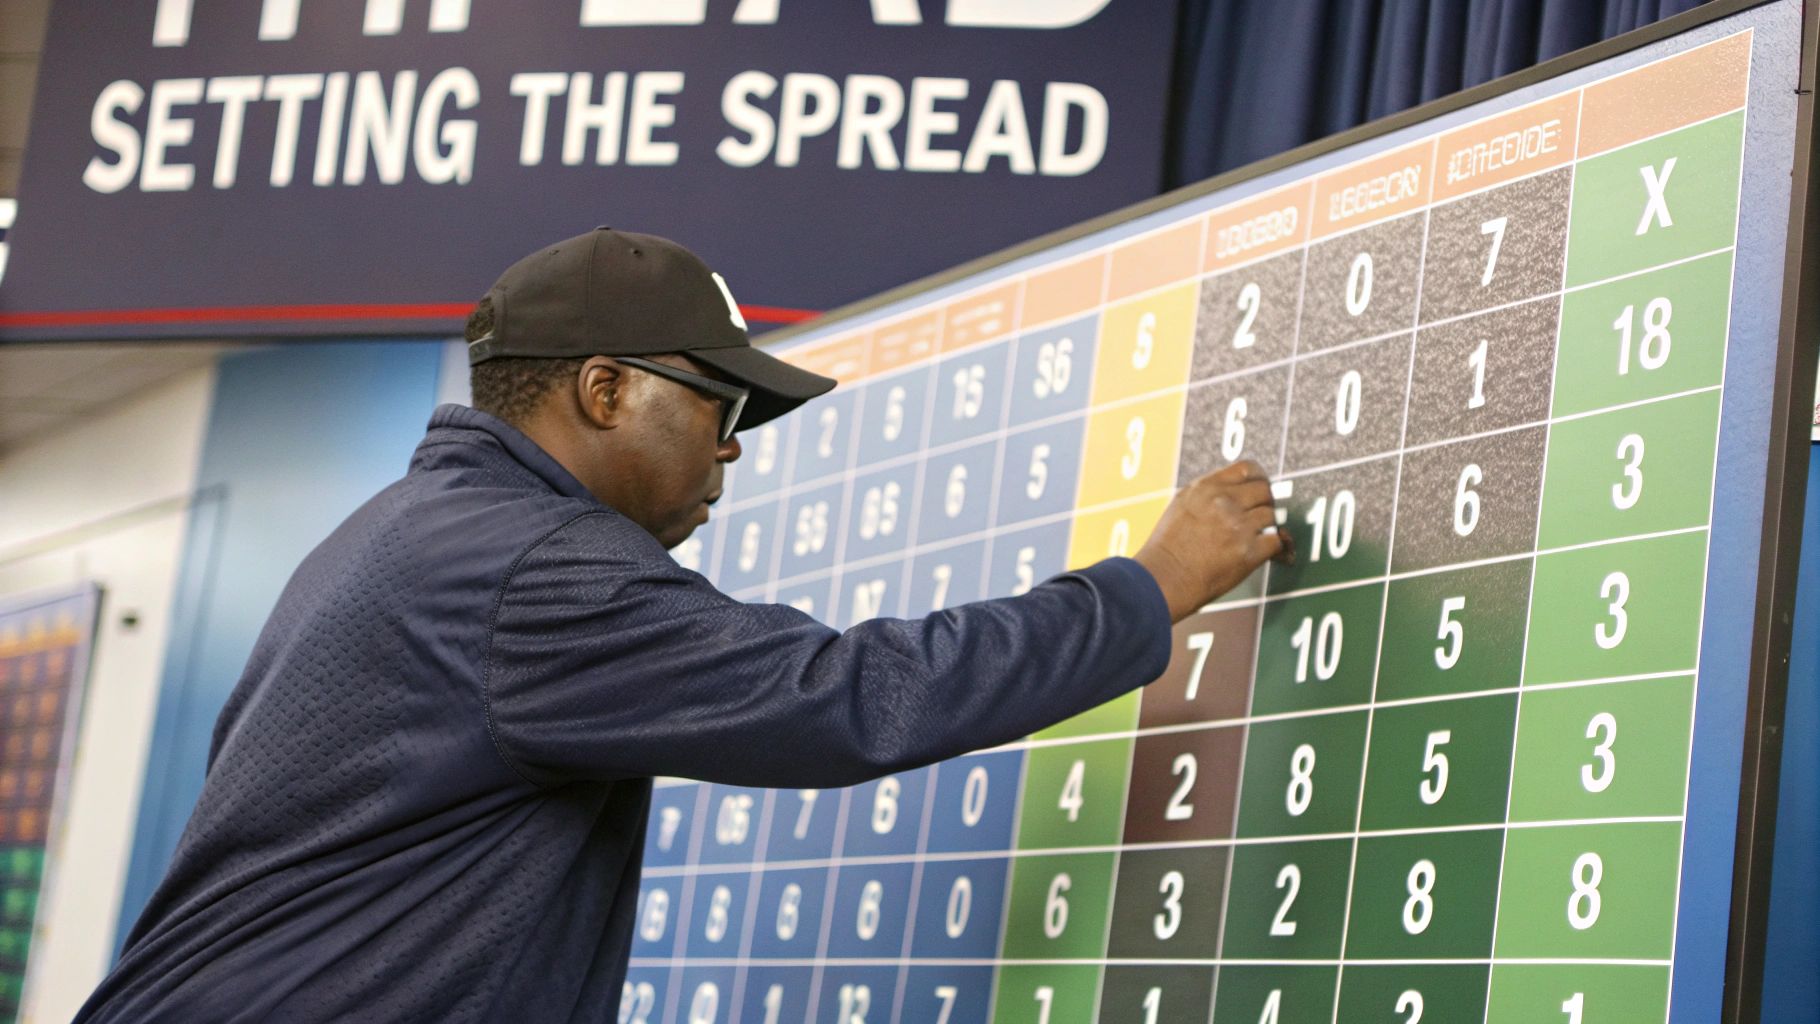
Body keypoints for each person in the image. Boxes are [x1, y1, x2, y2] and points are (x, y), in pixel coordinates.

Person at [75, 228, 1291, 1023]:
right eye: (714, 405)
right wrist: (1147, 586)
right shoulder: (534, 562)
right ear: (602, 389)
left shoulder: (396, 532)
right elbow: (846, 700)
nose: (727, 448)